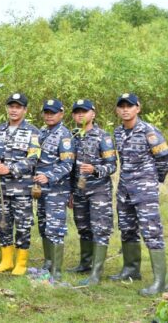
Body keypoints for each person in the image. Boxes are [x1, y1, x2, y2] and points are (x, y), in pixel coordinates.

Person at [111, 93, 168, 296]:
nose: (125, 109)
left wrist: (153, 181)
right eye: (122, 106)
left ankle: (160, 282)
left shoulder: (149, 131)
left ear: (138, 108)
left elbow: (164, 159)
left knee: (152, 232)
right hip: (125, 189)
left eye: (130, 106)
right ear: (118, 110)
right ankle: (131, 270)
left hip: (144, 190)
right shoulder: (118, 132)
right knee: (127, 229)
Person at [0, 93, 41, 276]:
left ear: (25, 110)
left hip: (22, 188)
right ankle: (6, 261)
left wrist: (9, 169)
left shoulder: (33, 132)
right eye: (11, 106)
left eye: (18, 107)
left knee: (23, 225)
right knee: (2, 224)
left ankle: (21, 262)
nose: (13, 110)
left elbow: (33, 159)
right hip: (2, 189)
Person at [68, 99, 117, 286]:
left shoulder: (102, 137)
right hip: (79, 191)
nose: (80, 115)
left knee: (100, 229)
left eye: (85, 111)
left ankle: (96, 273)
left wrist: (96, 169)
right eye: (77, 112)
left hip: (99, 191)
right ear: (73, 115)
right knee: (83, 227)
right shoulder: (72, 137)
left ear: (93, 114)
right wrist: (71, 191)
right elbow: (70, 167)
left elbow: (112, 165)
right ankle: (85, 264)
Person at [33, 99, 75, 280]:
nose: (49, 116)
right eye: (46, 112)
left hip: (57, 190)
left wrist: (49, 176)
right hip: (41, 189)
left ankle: (56, 272)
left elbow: (68, 164)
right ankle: (48, 264)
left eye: (53, 112)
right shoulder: (41, 132)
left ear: (61, 114)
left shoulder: (65, 136)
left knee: (55, 229)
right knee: (43, 226)